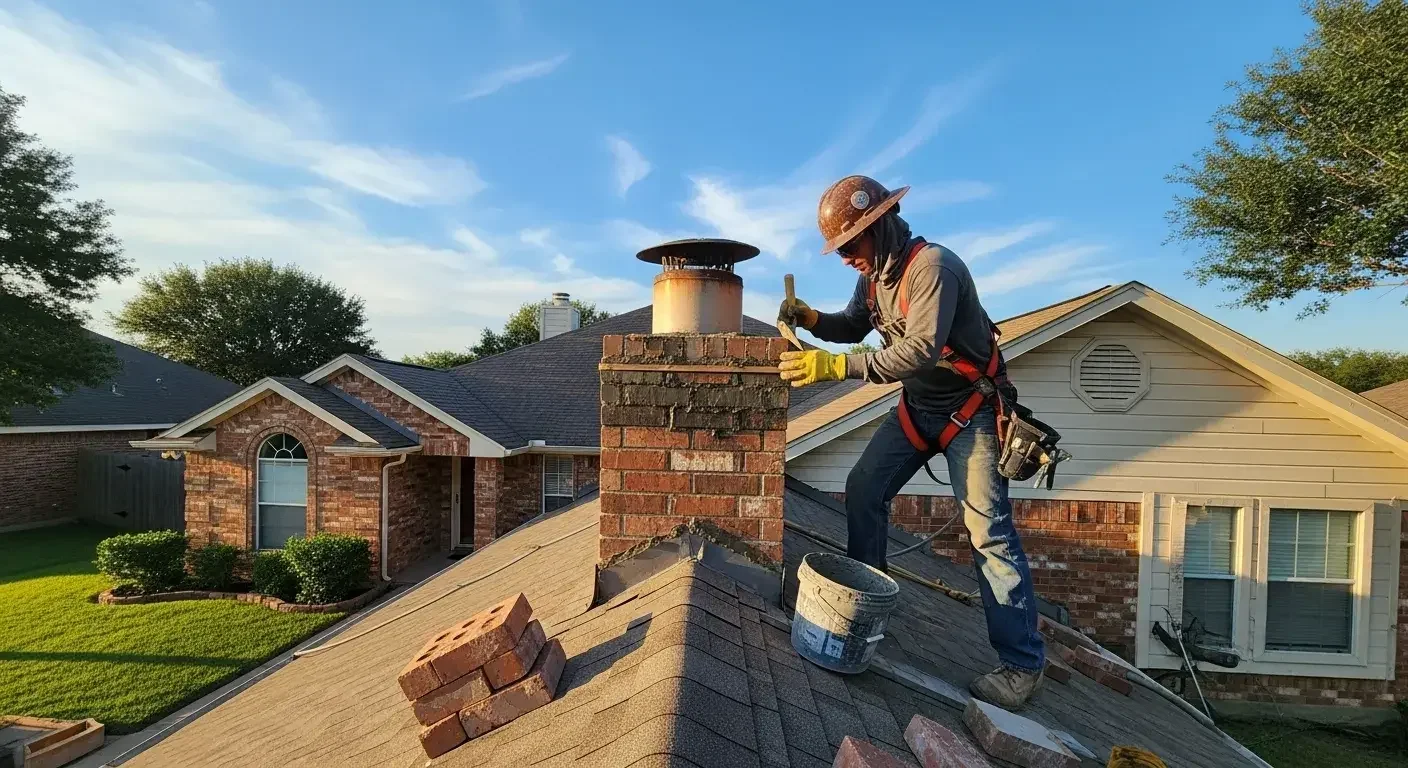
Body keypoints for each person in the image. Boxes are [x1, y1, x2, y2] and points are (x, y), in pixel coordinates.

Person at [777, 175, 1046, 710]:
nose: (846, 257)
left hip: (971, 411)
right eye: (840, 249)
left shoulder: (934, 269)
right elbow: (855, 324)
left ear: (879, 226)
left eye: (850, 245)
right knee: (863, 488)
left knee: (988, 533)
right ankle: (865, 607)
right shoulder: (875, 275)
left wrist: (833, 366)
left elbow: (920, 351)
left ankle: (1022, 665)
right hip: (919, 410)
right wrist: (812, 321)